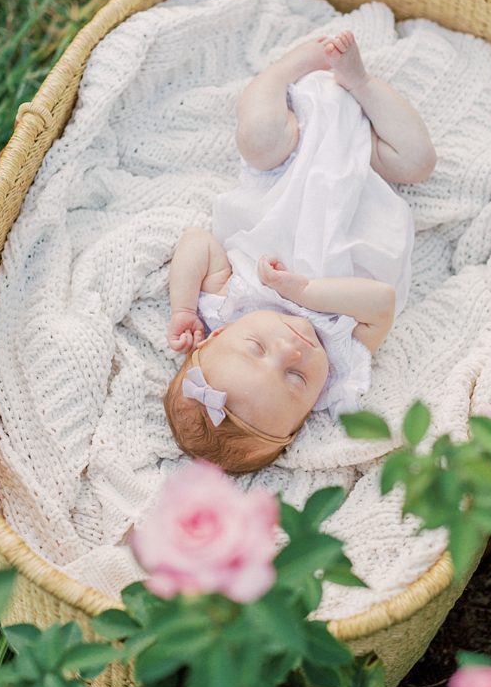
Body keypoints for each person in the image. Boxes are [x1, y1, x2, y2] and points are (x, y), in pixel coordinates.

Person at [164, 30, 436, 473]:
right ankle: (360, 81)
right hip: (363, 176)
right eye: (295, 379)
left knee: (257, 138)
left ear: (218, 336)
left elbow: (196, 240)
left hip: (291, 160)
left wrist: (182, 309)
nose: (291, 349)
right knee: (417, 161)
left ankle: (287, 68)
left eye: (255, 347)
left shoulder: (226, 303)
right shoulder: (340, 364)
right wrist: (305, 292)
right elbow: (381, 302)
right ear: (306, 416)